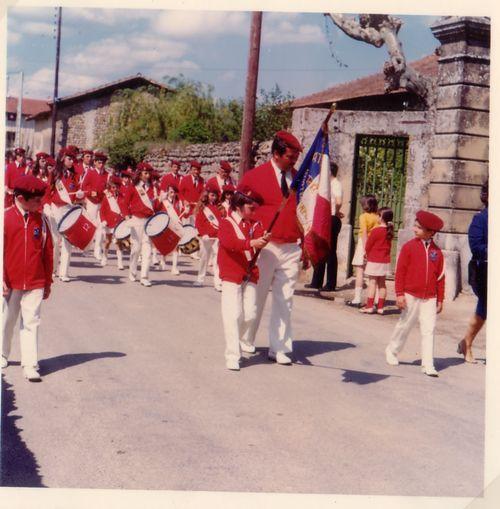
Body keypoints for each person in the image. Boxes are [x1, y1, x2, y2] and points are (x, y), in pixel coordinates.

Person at [237, 130, 303, 365]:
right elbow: (238, 210)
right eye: (289, 157)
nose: (293, 162)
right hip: (265, 248)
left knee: (285, 299)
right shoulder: (255, 176)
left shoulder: (299, 178)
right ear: (276, 153)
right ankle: (245, 337)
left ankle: (280, 347)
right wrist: (247, 240)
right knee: (256, 297)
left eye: (295, 158)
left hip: (290, 247)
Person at [2, 175, 54, 381]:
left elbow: (48, 252)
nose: (40, 203)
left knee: (31, 321)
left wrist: (47, 282)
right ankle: (3, 353)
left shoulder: (41, 221)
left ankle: (30, 364)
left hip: (35, 280)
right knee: (7, 319)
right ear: (21, 198)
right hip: (10, 281)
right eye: (36, 200)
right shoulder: (5, 218)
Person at [385, 210, 445, 377]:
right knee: (405, 324)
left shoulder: (437, 253)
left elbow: (440, 277)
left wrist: (440, 298)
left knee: (429, 329)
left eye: (418, 227)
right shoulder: (408, 247)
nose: (414, 229)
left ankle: (428, 364)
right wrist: (399, 294)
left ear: (431, 232)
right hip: (410, 294)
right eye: (415, 226)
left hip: (430, 298)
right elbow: (400, 272)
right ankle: (392, 350)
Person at [218, 192, 270, 370]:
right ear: (238, 207)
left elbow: (258, 239)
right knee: (233, 315)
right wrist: (252, 243)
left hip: (250, 273)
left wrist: (263, 239)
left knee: (250, 314)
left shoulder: (253, 224)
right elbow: (229, 243)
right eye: (250, 208)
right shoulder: (226, 223)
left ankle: (238, 340)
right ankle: (232, 354)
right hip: (231, 272)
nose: (254, 211)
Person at [458, 181, 488, 363]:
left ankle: (465, 342)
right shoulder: (480, 219)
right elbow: (476, 247)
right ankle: (467, 344)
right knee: (485, 307)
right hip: (483, 270)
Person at [50, 147, 85, 282]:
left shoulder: (75, 175)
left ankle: (64, 272)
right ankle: (53, 269)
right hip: (56, 208)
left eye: (73, 159)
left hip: (68, 209)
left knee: (67, 241)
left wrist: (80, 195)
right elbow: (48, 191)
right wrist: (47, 205)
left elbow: (77, 193)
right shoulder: (55, 173)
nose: (72, 162)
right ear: (62, 158)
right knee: (55, 241)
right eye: (69, 159)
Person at [306, 161, 343, 291]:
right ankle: (316, 281)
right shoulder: (325, 185)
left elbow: (338, 201)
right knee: (319, 248)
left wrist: (336, 211)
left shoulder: (336, 184)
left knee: (330, 251)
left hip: (331, 218)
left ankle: (330, 283)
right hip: (323, 219)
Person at [122, 161, 158, 287]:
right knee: (136, 249)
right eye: (145, 173)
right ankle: (132, 271)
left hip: (149, 222)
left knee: (147, 249)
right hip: (136, 220)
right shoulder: (133, 187)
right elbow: (125, 203)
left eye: (148, 173)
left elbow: (155, 206)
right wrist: (127, 217)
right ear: (140, 174)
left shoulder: (153, 188)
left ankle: (144, 276)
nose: (147, 176)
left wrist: (161, 200)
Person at [360, 207, 394, 315]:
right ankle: (380, 307)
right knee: (382, 284)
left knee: (372, 283)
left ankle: (369, 306)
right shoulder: (390, 232)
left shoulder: (376, 231)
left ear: (381, 218)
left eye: (379, 215)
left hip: (374, 259)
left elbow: (369, 245)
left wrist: (366, 253)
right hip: (385, 261)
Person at [346, 195, 379, 307]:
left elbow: (364, 232)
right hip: (375, 244)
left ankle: (357, 298)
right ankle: (374, 300)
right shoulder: (377, 217)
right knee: (373, 274)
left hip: (364, 243)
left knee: (360, 271)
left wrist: (365, 248)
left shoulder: (363, 216)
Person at [194, 186, 223, 290]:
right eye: (212, 195)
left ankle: (218, 282)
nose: (213, 198)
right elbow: (198, 223)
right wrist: (203, 234)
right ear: (207, 196)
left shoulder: (220, 208)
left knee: (217, 260)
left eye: (215, 196)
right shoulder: (203, 208)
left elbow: (222, 223)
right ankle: (200, 279)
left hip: (217, 237)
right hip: (206, 237)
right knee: (204, 258)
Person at [100, 176, 128, 269]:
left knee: (118, 242)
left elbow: (124, 209)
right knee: (108, 241)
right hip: (109, 222)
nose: (115, 189)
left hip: (118, 223)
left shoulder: (121, 197)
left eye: (116, 187)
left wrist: (126, 217)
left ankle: (120, 262)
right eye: (113, 187)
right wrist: (103, 220)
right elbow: (102, 210)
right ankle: (105, 257)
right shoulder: (107, 197)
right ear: (110, 188)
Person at [161, 184, 188, 275]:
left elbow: (184, 214)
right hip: (166, 225)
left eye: (174, 192)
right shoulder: (163, 202)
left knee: (176, 246)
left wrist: (187, 211)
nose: (172, 194)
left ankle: (174, 267)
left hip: (176, 226)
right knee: (165, 244)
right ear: (167, 191)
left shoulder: (179, 202)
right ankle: (163, 259)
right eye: (171, 192)